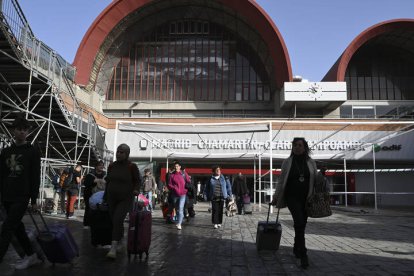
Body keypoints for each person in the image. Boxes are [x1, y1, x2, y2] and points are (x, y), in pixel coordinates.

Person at [0, 115, 41, 269]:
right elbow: (1, 174)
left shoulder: (32, 151)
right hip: (7, 195)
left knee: (7, 228)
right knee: (17, 227)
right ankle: (31, 255)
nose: (22, 132)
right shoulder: (6, 152)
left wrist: (34, 200)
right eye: (19, 129)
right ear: (14, 130)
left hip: (22, 196)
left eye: (25, 130)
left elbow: (35, 176)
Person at [271, 137, 317, 269]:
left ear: (305, 147)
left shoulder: (311, 162)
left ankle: (297, 247)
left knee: (302, 224)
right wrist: (276, 196)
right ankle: (303, 254)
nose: (297, 147)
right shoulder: (287, 162)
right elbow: (281, 181)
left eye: (300, 145)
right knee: (299, 222)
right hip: (291, 197)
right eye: (295, 145)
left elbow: (315, 179)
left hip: (307, 198)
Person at [104, 143, 141, 259]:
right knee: (113, 221)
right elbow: (108, 181)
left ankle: (113, 248)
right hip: (111, 197)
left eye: (122, 152)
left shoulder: (132, 166)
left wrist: (136, 190)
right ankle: (119, 240)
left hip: (125, 198)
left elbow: (137, 181)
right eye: (118, 151)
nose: (119, 154)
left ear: (127, 154)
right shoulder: (112, 166)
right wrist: (105, 196)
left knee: (117, 219)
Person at [167, 161, 190, 230]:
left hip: (183, 194)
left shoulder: (183, 173)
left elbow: (188, 181)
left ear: (180, 167)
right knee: (177, 209)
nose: (176, 167)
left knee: (180, 208)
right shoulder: (172, 175)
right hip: (175, 194)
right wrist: (174, 188)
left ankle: (179, 223)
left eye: (177, 166)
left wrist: (187, 186)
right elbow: (169, 184)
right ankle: (179, 220)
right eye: (175, 166)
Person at [83, 160, 106, 227]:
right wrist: (94, 181)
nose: (101, 167)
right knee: (89, 209)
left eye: (102, 165)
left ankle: (98, 223)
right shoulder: (90, 174)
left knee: (101, 209)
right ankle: (87, 224)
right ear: (96, 166)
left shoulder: (105, 175)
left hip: (102, 196)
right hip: (90, 195)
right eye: (99, 165)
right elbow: (86, 183)